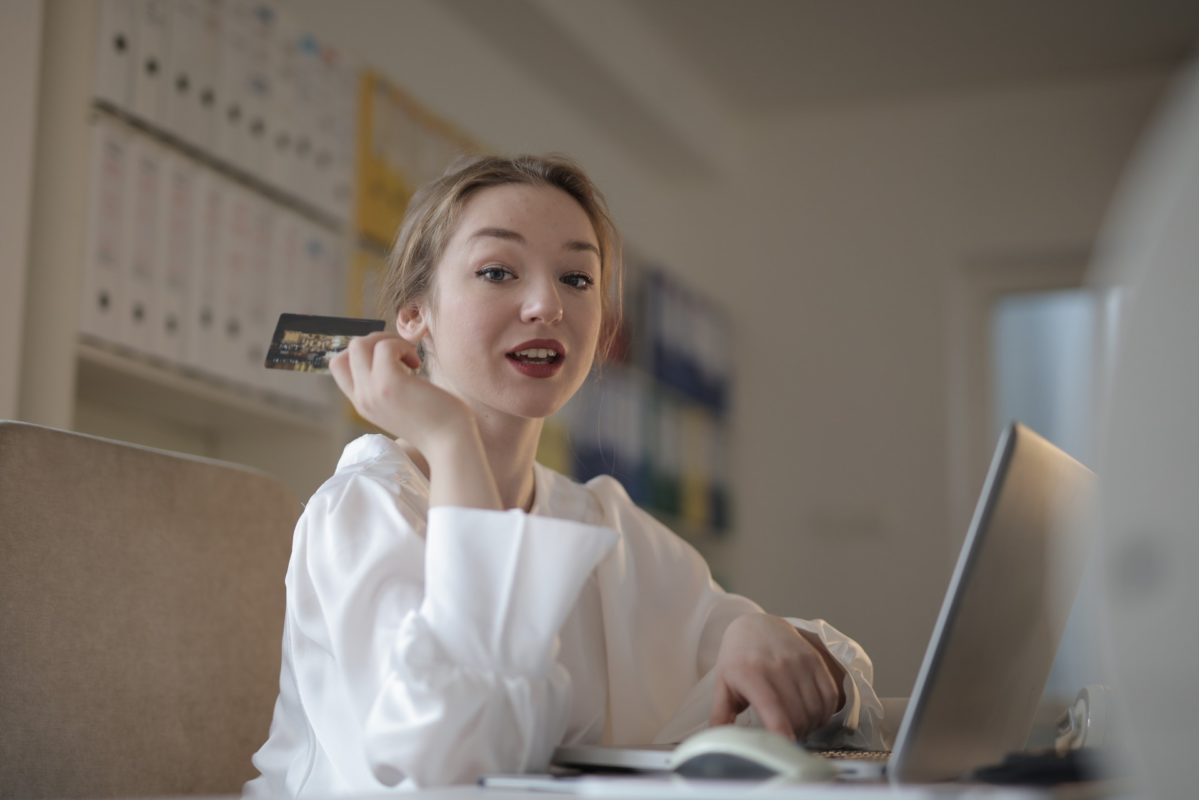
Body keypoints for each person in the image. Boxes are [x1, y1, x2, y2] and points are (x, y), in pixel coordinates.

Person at [244, 154, 884, 796]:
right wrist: (450, 439)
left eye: (577, 279)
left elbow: (838, 686)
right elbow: (452, 766)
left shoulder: (602, 520)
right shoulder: (363, 507)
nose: (547, 304)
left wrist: (768, 635)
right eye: (497, 271)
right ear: (415, 315)